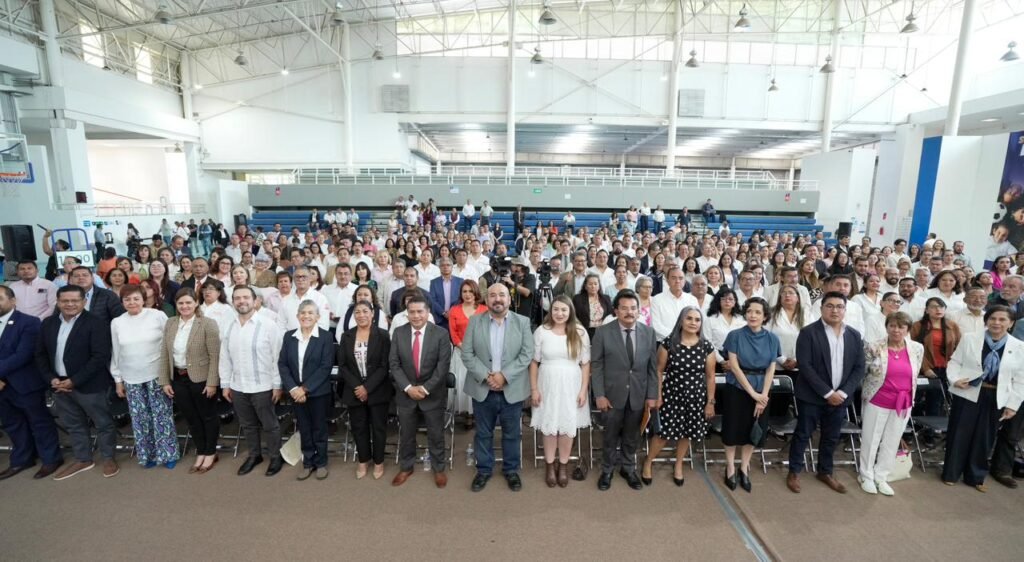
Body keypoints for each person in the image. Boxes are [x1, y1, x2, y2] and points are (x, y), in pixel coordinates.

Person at [35, 285, 119, 480]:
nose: (70, 304)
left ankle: (108, 458)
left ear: (83, 302)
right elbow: (39, 355)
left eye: (75, 300)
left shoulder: (96, 323)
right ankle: (83, 459)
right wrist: (51, 379)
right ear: (58, 302)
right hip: (58, 384)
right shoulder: (48, 323)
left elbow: (100, 356)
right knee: (74, 425)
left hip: (89, 385)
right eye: (65, 300)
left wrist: (74, 380)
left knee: (103, 423)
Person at [787, 291, 866, 494]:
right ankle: (794, 471)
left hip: (840, 398)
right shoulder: (808, 333)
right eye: (829, 306)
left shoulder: (854, 335)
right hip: (812, 397)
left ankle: (825, 471)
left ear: (845, 310)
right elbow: (805, 366)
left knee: (831, 437)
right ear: (821, 309)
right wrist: (827, 393)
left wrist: (843, 393)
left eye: (839, 306)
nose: (835, 310)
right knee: (803, 434)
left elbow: (859, 368)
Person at [462, 283, 535, 492]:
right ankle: (484, 470)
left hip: (511, 389)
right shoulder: (475, 321)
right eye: (492, 295)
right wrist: (487, 377)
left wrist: (504, 376)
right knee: (483, 433)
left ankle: (511, 470)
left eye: (502, 295)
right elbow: (467, 353)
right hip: (482, 387)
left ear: (509, 299)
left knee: (512, 433)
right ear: (486, 300)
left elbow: (526, 354)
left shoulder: (522, 322)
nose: (497, 299)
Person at [942, 305, 1024, 491]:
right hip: (969, 391)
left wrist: (1013, 405)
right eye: (993, 318)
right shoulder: (971, 338)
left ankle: (975, 477)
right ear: (986, 320)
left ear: (1011, 323)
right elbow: (955, 362)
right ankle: (951, 473)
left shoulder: (1019, 347)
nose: (997, 323)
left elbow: (1021, 379)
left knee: (985, 438)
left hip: (996, 396)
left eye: (1002, 319)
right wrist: (955, 380)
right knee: (959, 434)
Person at [591, 289, 659, 491]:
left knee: (632, 436)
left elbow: (652, 368)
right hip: (611, 396)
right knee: (610, 435)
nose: (629, 312)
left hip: (639, 394)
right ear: (616, 311)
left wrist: (652, 395)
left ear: (639, 311)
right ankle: (607, 470)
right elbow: (596, 365)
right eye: (624, 308)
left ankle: (628, 469)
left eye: (633, 308)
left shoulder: (649, 332)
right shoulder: (603, 332)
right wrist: (600, 394)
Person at [642, 306, 716, 487]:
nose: (693, 322)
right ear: (681, 321)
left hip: (696, 398)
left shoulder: (706, 346)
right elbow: (658, 371)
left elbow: (710, 376)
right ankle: (648, 462)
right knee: (663, 433)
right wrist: (658, 395)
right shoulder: (668, 343)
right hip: (671, 397)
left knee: (687, 433)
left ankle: (678, 464)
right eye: (689, 318)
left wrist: (710, 402)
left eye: (697, 320)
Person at [219, 285, 285, 477]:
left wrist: (277, 385)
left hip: (263, 385)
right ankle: (255, 455)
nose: (242, 301)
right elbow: (225, 357)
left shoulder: (269, 325)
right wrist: (225, 384)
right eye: (237, 298)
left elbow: (277, 358)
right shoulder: (229, 326)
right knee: (247, 425)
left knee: (269, 424)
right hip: (238, 385)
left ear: (255, 300)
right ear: (233, 302)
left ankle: (275, 457)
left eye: (246, 297)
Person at [110, 285, 178, 469]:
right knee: (140, 418)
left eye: (135, 298)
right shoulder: (117, 322)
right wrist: (118, 380)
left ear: (143, 299)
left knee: (161, 416)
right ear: (122, 302)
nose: (132, 302)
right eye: (127, 299)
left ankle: (168, 453)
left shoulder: (157, 316)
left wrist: (170, 374)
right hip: (131, 377)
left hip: (157, 374)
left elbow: (170, 344)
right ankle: (148, 455)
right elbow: (116, 353)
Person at [389, 295, 452, 488]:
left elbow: (442, 367)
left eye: (419, 312)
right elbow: (394, 364)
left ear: (428, 313)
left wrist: (424, 389)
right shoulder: (399, 333)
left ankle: (439, 468)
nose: (415, 316)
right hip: (406, 393)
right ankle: (406, 467)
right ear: (406, 314)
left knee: (435, 433)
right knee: (406, 433)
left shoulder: (440, 334)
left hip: (432, 393)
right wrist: (408, 388)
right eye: (412, 312)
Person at [0, 286, 63, 480]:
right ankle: (22, 459)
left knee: (39, 422)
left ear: (13, 301)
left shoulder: (29, 322)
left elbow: (23, 355)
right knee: (13, 424)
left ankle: (51, 459)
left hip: (25, 383)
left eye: (0, 298)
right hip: (2, 388)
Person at [529, 296, 592, 488]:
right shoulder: (541, 331)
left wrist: (583, 390)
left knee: (567, 425)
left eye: (564, 310)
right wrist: (534, 389)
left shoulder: (580, 332)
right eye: (556, 309)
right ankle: (550, 465)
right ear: (551, 311)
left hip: (571, 385)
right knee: (549, 426)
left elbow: (585, 364)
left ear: (570, 311)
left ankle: (563, 465)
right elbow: (534, 362)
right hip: (546, 383)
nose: (559, 313)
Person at [858, 312, 923, 495]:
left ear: (908, 329)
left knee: (892, 440)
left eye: (901, 327)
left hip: (903, 402)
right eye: (892, 325)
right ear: (886, 327)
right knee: (871, 439)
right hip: (878, 399)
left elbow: (914, 375)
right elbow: (864, 372)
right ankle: (866, 475)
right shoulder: (874, 347)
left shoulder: (917, 348)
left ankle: (881, 476)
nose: (896, 330)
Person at [158, 288, 221, 474]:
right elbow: (164, 353)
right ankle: (201, 451)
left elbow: (215, 355)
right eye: (180, 303)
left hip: (201, 378)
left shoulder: (207, 324)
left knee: (208, 416)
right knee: (191, 418)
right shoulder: (170, 323)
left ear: (195, 303)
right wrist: (164, 381)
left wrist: (212, 382)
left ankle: (210, 452)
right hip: (178, 378)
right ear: (176, 305)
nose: (184, 306)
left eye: (188, 302)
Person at [720, 297, 779, 493]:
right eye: (749, 311)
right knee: (732, 429)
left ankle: (744, 466)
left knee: (753, 430)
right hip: (737, 387)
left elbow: (771, 369)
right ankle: (729, 466)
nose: (752, 315)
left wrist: (763, 395)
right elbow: (734, 367)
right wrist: (754, 394)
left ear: (765, 316)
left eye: (757, 312)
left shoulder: (772, 339)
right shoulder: (735, 335)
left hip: (762, 389)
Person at [279, 300, 335, 480]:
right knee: (304, 428)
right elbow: (283, 365)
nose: (306, 316)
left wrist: (305, 389)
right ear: (297, 316)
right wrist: (294, 389)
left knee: (319, 428)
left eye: (310, 313)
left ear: (318, 317)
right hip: (296, 393)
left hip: (317, 392)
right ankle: (308, 462)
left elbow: (325, 367)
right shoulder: (289, 337)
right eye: (303, 313)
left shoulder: (325, 337)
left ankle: (321, 463)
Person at [338, 300, 392, 480]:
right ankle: (363, 460)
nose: (361, 315)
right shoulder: (346, 336)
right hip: (353, 390)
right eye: (357, 312)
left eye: (365, 311)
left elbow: (384, 366)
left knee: (378, 428)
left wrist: (367, 387)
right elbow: (343, 366)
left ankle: (378, 461)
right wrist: (357, 387)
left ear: (372, 313)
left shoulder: (383, 336)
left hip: (377, 390)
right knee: (359, 427)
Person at [911, 297, 961, 419]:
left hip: (945, 369)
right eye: (933, 307)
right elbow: (913, 350)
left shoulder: (952, 326)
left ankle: (933, 435)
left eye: (941, 307)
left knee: (937, 404)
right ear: (927, 310)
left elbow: (959, 348)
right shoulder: (917, 326)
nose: (938, 309)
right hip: (923, 369)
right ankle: (913, 431)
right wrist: (925, 368)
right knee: (916, 402)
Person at [448, 279, 487, 427]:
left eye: (470, 291)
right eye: (464, 291)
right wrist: (465, 348)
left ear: (475, 292)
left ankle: (479, 413)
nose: (467, 294)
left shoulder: (484, 310)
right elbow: (453, 334)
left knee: (480, 383)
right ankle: (467, 414)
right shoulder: (454, 310)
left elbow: (487, 331)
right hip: (461, 353)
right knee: (463, 382)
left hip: (481, 354)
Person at [650, 266, 698, 339]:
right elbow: (655, 325)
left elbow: (697, 322)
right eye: (673, 278)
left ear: (685, 281)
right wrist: (677, 337)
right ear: (667, 280)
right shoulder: (657, 299)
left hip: (688, 341)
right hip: (665, 343)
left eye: (681, 278)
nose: (677, 281)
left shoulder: (692, 300)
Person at [572, 273, 613, 340]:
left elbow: (610, 316)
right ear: (585, 286)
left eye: (595, 284)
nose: (593, 286)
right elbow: (574, 316)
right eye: (590, 284)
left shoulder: (606, 298)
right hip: (584, 332)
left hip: (603, 332)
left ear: (599, 286)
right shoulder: (578, 299)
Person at [429, 257, 462, 330]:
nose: (445, 267)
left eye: (448, 265)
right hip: (439, 319)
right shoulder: (434, 282)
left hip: (456, 317)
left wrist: (451, 312)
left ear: (452, 267)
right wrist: (443, 313)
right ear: (439, 267)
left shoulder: (460, 281)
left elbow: (461, 298)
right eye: (443, 265)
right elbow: (432, 300)